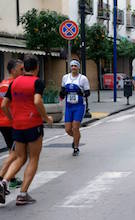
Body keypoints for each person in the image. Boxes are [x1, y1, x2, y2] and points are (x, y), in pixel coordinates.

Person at [0, 55, 53, 205]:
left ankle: (3, 182)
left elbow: (4, 105)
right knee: (33, 158)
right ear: (36, 67)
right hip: (32, 124)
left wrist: (12, 119)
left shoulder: (14, 82)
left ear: (25, 68)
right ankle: (22, 194)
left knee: (20, 157)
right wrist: (46, 117)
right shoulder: (37, 82)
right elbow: (37, 100)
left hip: (17, 125)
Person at [0, 59, 24, 192]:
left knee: (12, 150)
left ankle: (12, 179)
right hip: (12, 123)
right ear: (13, 70)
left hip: (2, 122)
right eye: (21, 69)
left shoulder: (2, 84)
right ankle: (3, 179)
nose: (23, 72)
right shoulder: (15, 84)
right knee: (15, 153)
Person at [59, 60, 90, 156]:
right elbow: (62, 91)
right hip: (69, 106)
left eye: (75, 66)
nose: (73, 68)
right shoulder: (65, 77)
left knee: (75, 127)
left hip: (79, 106)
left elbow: (88, 93)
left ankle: (76, 148)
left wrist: (82, 93)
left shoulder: (83, 79)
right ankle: (76, 138)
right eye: (72, 66)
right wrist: (62, 95)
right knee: (68, 129)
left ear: (78, 67)